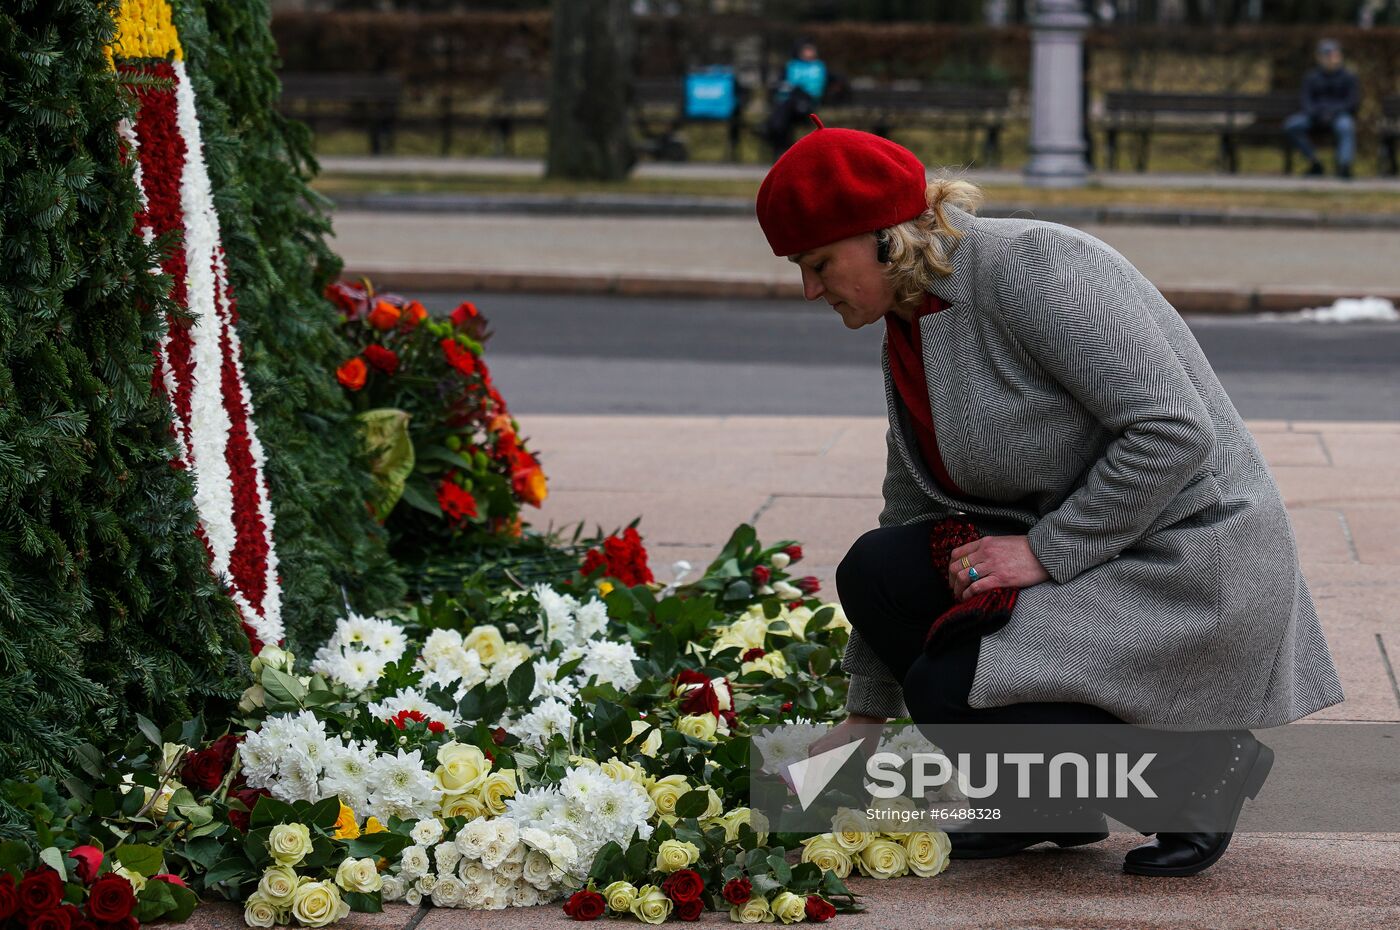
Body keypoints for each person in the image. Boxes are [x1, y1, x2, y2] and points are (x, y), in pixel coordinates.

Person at [756, 120, 1345, 876]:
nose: (809, 290)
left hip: (1190, 564)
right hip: (1103, 553)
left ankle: (1196, 781)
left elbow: (1172, 432)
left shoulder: (1028, 266)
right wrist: (865, 716)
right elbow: (910, 508)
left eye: (816, 263)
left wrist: (1042, 550)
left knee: (952, 682)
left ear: (883, 237)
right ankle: (1043, 807)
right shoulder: (910, 322)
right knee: (877, 569)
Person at [1284, 39, 1361, 179]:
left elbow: (1352, 102)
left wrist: (1332, 113)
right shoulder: (1311, 78)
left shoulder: (1348, 77)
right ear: (1319, 58)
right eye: (1327, 55)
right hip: (1314, 117)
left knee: (1346, 126)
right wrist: (1318, 114)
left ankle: (1344, 166)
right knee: (1292, 125)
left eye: (1334, 55)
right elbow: (1306, 101)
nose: (1331, 59)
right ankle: (1315, 162)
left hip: (1338, 116)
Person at [762, 40, 829, 159]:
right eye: (806, 50)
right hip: (790, 105)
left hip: (807, 105)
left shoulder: (820, 67)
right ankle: (777, 137)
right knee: (786, 111)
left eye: (810, 50)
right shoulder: (791, 66)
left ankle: (770, 131)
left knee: (783, 114)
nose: (808, 53)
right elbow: (780, 84)